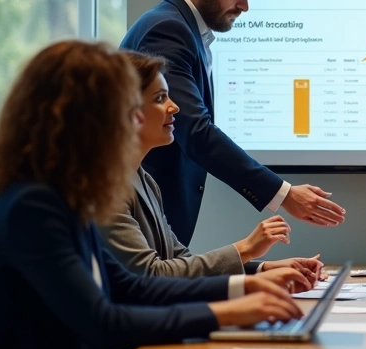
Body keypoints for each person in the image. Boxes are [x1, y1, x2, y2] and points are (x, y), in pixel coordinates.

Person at [0, 40, 314, 349]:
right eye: (127, 110)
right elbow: (103, 322)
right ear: (86, 121)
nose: (137, 119)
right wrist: (226, 313)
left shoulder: (64, 197)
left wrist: (242, 287)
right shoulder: (35, 207)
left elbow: (130, 286)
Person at [121, 0, 345, 243]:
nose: (244, 6)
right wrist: (283, 194)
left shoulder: (182, 28)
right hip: (142, 219)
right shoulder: (168, 31)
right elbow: (195, 130)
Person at [101, 50, 326, 282]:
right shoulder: (105, 189)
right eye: (160, 98)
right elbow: (151, 275)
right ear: (125, 110)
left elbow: (179, 261)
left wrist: (265, 269)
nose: (174, 107)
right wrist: (246, 247)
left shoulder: (143, 179)